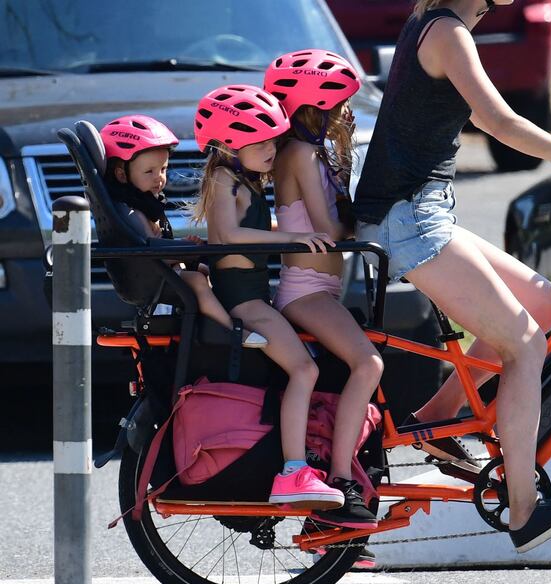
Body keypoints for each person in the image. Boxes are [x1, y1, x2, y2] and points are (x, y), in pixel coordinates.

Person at [353, 0, 551, 552]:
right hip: (409, 220)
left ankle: (436, 422)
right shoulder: (446, 33)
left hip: (424, 212)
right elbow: (498, 122)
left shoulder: (441, 25)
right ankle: (523, 508)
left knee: (546, 303)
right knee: (526, 346)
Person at [191, 84, 344, 509]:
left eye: (274, 139)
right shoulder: (224, 179)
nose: (271, 149)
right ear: (227, 144)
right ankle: (294, 472)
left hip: (254, 295)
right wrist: (296, 237)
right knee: (303, 371)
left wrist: (293, 235)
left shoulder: (246, 180)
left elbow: (251, 232)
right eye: (259, 142)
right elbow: (229, 236)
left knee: (303, 369)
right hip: (244, 301)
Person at [263, 50, 383, 529]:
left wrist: (344, 147)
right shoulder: (300, 153)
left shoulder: (312, 151)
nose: (343, 113)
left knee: (364, 364)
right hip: (305, 290)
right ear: (316, 104)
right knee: (367, 362)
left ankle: (344, 473)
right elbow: (331, 227)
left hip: (321, 289)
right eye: (337, 106)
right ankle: (340, 479)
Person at [99, 115, 267, 348]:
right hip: (152, 280)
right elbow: (149, 253)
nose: (159, 178)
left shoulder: (144, 206)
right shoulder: (133, 214)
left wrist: (185, 247)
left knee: (210, 271)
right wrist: (185, 251)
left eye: (164, 169)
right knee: (198, 281)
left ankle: (222, 320)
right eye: (149, 172)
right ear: (121, 174)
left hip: (163, 272)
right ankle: (231, 331)